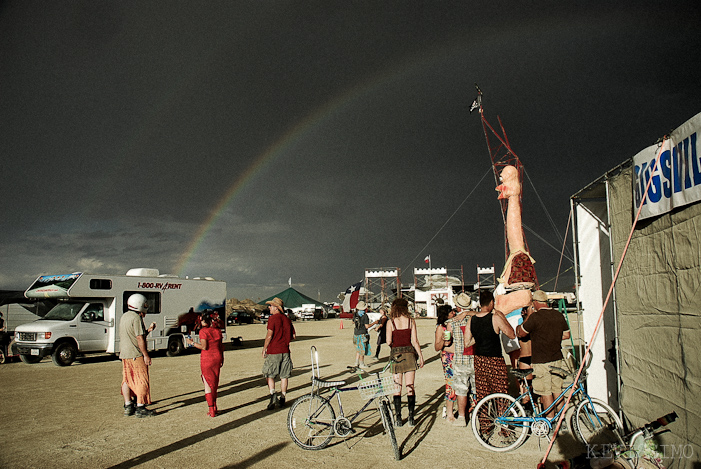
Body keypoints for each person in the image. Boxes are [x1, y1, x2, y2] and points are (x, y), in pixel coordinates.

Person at [517, 290, 570, 418]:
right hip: (557, 357)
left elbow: (520, 333)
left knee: (545, 392)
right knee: (557, 389)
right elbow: (566, 334)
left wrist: (529, 315)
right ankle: (561, 419)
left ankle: (550, 419)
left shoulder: (535, 317)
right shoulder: (558, 315)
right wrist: (552, 336)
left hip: (541, 360)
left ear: (535, 303)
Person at [470, 290, 515, 409]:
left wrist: (480, 337)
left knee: (482, 393)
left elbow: (467, 342)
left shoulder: (472, 319)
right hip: (495, 359)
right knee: (501, 392)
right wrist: (502, 317)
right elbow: (511, 334)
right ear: (491, 303)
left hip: (479, 360)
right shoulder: (495, 318)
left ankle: (484, 424)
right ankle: (503, 423)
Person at [386, 297, 424, 427]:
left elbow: (388, 341)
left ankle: (398, 418)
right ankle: (411, 417)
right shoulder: (411, 321)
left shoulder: (391, 322)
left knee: (397, 387)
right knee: (410, 386)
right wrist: (421, 356)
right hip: (409, 355)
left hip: (396, 356)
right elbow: (415, 341)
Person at [119, 293, 157, 418]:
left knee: (127, 380)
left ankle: (128, 404)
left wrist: (149, 330)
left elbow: (134, 334)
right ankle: (141, 407)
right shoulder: (136, 318)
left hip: (125, 354)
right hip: (136, 354)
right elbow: (139, 338)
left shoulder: (125, 316)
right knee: (141, 380)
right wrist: (146, 355)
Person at [444, 292, 477, 426]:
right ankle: (479, 414)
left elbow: (447, 341)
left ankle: (462, 417)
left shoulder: (451, 323)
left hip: (460, 359)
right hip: (475, 358)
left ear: (458, 307)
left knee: (461, 390)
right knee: (476, 389)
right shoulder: (475, 318)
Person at [186, 311, 224, 417]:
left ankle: (211, 409)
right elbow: (221, 347)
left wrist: (192, 343)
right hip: (217, 357)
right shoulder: (218, 331)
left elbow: (204, 347)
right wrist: (222, 359)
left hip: (207, 359)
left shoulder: (203, 331)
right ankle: (215, 407)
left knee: (207, 383)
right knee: (215, 383)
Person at [262, 297, 296, 410]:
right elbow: (294, 336)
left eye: (271, 306)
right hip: (285, 350)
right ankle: (282, 397)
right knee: (284, 376)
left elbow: (269, 335)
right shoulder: (287, 319)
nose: (269, 308)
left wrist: (264, 348)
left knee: (269, 374)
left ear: (276, 308)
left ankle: (272, 394)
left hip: (274, 350)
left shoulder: (273, 319)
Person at [434, 304, 457, 422]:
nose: (454, 313)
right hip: (448, 357)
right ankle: (449, 412)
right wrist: (443, 340)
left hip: (459, 356)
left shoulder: (456, 323)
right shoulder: (440, 328)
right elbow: (437, 347)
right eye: (451, 311)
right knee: (451, 384)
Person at [352, 301, 372, 369]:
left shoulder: (355, 314)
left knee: (358, 349)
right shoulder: (365, 316)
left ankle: (356, 363)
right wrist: (374, 323)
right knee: (362, 350)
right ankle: (361, 363)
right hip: (362, 333)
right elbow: (367, 326)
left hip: (356, 333)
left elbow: (353, 321)